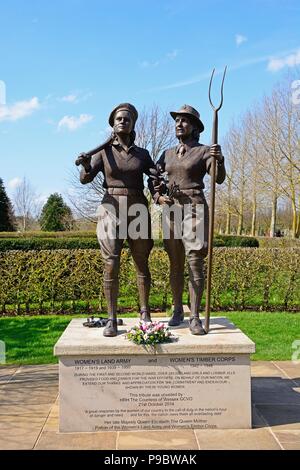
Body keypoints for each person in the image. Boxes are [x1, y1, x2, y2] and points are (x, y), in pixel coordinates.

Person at [76, 103, 156, 337]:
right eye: (119, 119)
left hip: (138, 207)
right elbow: (85, 178)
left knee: (142, 261)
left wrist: (160, 187)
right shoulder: (104, 152)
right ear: (112, 124)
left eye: (127, 119)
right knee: (111, 262)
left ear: (132, 125)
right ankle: (111, 317)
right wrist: (85, 164)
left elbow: (154, 178)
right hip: (111, 208)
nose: (123, 121)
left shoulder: (143, 154)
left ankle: (145, 312)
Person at [154, 104, 226, 335]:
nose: (179, 124)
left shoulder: (205, 151)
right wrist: (157, 195)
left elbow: (218, 179)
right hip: (171, 210)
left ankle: (194, 316)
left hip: (194, 208)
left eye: (185, 121)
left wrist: (220, 160)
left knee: (194, 260)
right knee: (175, 263)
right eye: (177, 120)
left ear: (195, 127)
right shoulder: (166, 154)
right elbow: (153, 176)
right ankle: (177, 310)